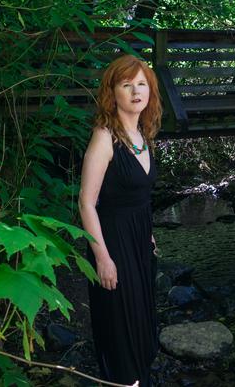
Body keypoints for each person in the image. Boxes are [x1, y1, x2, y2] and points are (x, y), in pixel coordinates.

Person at [78, 54, 162, 386]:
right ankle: (124, 380)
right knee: (119, 318)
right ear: (112, 93)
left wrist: (150, 234)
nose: (136, 91)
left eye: (142, 84)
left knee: (140, 314)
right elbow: (86, 203)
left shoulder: (144, 135)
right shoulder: (104, 138)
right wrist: (102, 257)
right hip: (111, 240)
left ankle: (138, 376)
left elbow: (140, 196)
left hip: (139, 238)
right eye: (127, 85)